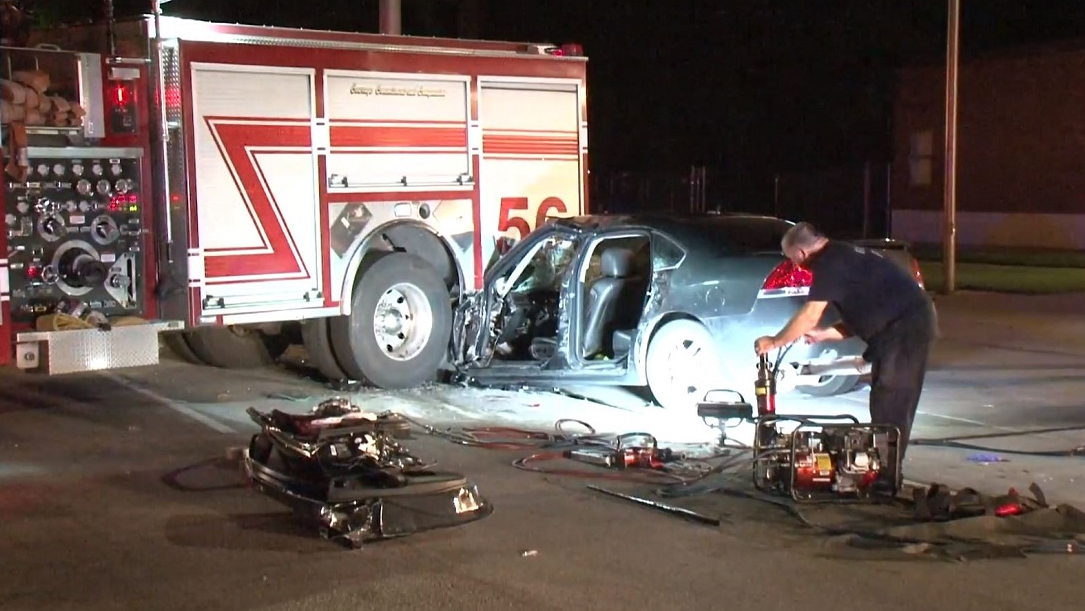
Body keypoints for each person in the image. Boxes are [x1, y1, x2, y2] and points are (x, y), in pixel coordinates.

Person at [754, 222, 937, 489]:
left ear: (802, 254)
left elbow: (809, 315)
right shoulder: (842, 256)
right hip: (898, 324)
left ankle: (887, 479)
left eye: (793, 260)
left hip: (907, 327)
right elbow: (866, 308)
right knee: (885, 400)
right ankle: (881, 469)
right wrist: (824, 334)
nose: (795, 267)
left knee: (892, 401)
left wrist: (775, 341)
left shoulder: (830, 264)